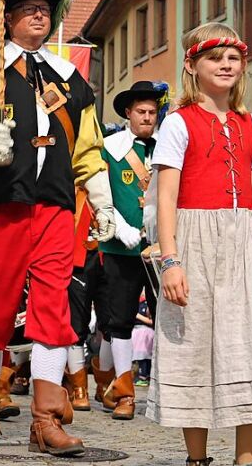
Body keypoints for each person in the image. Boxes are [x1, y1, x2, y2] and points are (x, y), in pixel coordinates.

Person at [0, 0, 132, 455]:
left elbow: (89, 147)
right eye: (27, 9)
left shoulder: (69, 78)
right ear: (7, 21)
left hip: (55, 207)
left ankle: (46, 420)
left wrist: (102, 202)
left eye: (44, 9)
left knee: (53, 311)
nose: (40, 16)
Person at [148, 23, 252, 466]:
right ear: (192, 65)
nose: (226, 64)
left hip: (244, 238)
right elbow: (165, 196)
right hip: (194, 237)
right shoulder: (178, 122)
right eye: (214, 57)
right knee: (195, 345)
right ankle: (197, 459)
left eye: (233, 57)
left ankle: (247, 459)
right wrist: (170, 259)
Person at [94, 81, 163, 421]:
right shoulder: (110, 148)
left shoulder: (167, 147)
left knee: (165, 320)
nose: (147, 117)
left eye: (152, 112)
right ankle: (124, 393)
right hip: (121, 249)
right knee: (119, 321)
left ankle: (166, 391)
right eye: (141, 112)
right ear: (127, 114)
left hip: (161, 249)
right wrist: (120, 228)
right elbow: (100, 194)